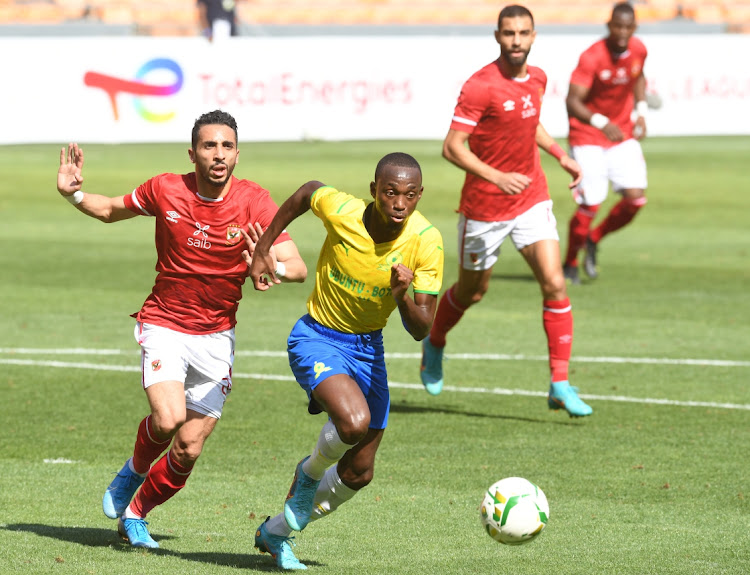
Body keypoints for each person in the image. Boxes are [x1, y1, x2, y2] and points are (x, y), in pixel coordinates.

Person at [55, 110, 306, 549]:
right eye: (209, 146)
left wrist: (270, 266)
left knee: (189, 447)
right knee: (168, 419)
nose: (218, 154)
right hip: (165, 323)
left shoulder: (254, 201)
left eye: (227, 146)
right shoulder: (166, 189)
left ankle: (136, 514)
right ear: (193, 154)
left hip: (216, 336)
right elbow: (112, 209)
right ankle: (132, 471)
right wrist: (74, 195)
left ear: (237, 154)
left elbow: (298, 268)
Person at [247, 153, 443, 570]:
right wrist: (264, 246)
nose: (399, 203)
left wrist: (401, 296)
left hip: (369, 348)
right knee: (353, 424)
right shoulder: (343, 210)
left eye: (409, 195)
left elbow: (421, 328)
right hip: (316, 336)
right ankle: (310, 472)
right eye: (390, 192)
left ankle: (277, 532)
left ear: (419, 196)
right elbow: (305, 192)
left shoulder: (426, 241)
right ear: (374, 190)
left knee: (359, 472)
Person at [419, 4, 593, 418]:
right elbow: (452, 146)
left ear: (534, 36)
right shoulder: (481, 85)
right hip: (485, 207)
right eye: (509, 33)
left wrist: (559, 154)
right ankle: (436, 341)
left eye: (523, 33)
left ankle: (560, 383)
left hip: (532, 198)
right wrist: (496, 176)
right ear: (498, 36)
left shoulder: (538, 78)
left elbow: (529, 123)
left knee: (554, 283)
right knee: (471, 292)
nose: (516, 41)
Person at [562, 2, 649, 283]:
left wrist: (642, 112)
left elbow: (638, 77)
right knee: (592, 204)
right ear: (609, 25)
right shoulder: (592, 57)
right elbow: (572, 101)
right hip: (588, 136)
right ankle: (570, 262)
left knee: (636, 199)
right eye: (617, 26)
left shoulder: (639, 50)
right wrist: (601, 122)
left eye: (628, 27)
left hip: (621, 134)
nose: (622, 32)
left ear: (634, 27)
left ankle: (594, 239)